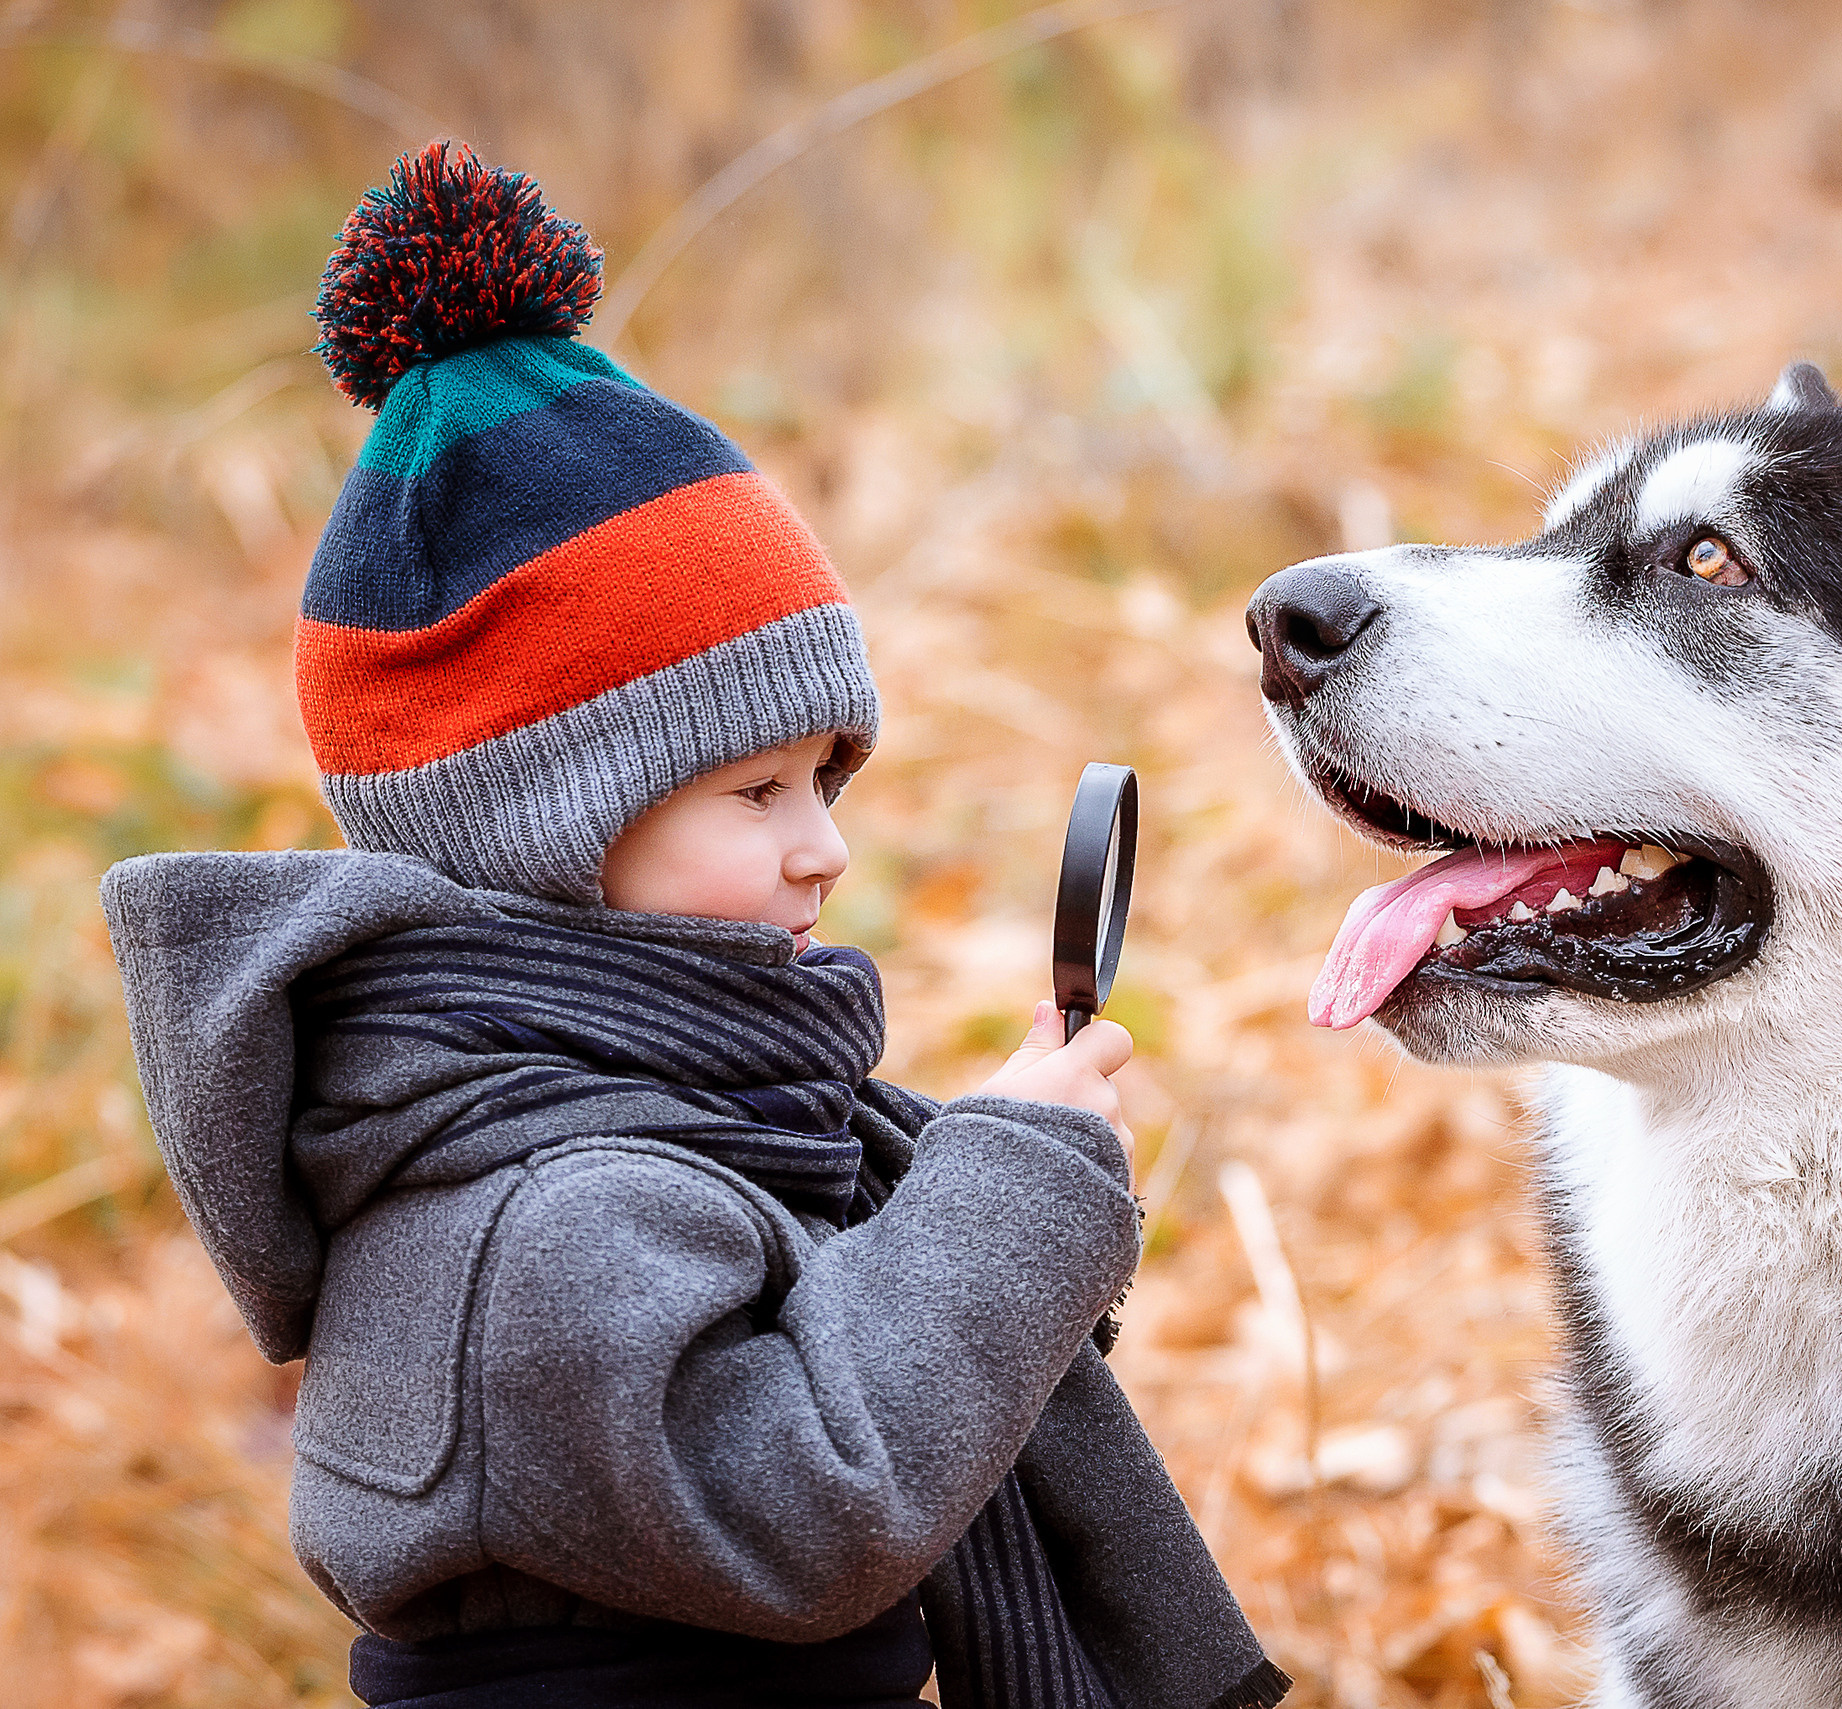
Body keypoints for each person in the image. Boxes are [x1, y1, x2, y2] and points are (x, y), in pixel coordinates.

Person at [100, 141, 1286, 1709]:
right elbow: (810, 1505)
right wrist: (1000, 1199)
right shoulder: (534, 1217)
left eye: (826, 778)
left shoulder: (636, 1120)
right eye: (757, 791)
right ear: (546, 827)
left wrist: (990, 1184)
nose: (826, 847)